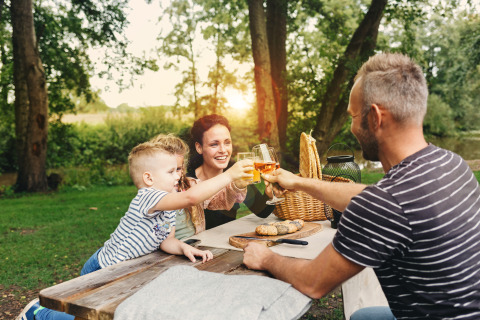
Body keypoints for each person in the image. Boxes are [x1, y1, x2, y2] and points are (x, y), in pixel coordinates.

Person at [243, 53, 480, 320]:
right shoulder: (451, 164)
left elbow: (313, 283)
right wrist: (298, 182)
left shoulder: (386, 203)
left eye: (353, 116)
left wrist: (265, 258)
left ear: (376, 117)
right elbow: (369, 197)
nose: (352, 126)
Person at [18, 140, 254, 320]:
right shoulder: (148, 197)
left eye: (179, 170)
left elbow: (166, 240)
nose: (178, 176)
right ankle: (37, 312)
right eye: (171, 171)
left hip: (126, 270)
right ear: (149, 178)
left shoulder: (169, 201)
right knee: (90, 316)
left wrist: (184, 248)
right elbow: (192, 197)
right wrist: (231, 174)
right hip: (103, 268)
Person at [149, 133, 248, 239]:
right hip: (161, 254)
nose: (175, 175)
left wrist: (238, 185)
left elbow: (221, 200)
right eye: (168, 170)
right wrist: (229, 175)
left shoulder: (190, 185)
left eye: (178, 169)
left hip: (195, 246)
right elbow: (190, 198)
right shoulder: (152, 195)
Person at [187, 114, 275, 229]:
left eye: (227, 142)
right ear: (199, 148)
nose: (223, 150)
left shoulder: (237, 174)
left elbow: (262, 211)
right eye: (214, 144)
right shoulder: (187, 180)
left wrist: (270, 195)